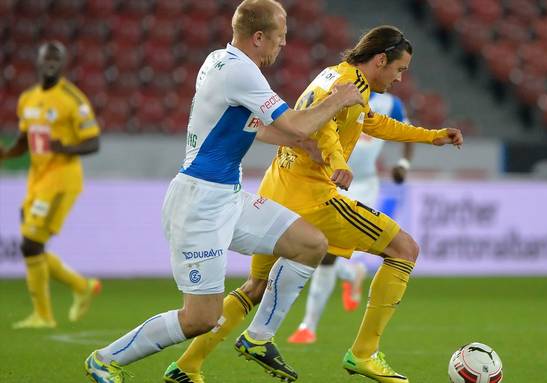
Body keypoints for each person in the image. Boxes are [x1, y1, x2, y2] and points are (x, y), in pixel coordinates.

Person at [84, 1, 363, 382]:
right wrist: (338, 100)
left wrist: (302, 145)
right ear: (259, 37)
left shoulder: (221, 59)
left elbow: (260, 128)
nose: (283, 44)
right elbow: (296, 124)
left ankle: (258, 338)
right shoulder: (241, 72)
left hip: (227, 196)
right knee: (200, 318)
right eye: (280, 37)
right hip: (199, 203)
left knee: (311, 243)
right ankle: (105, 358)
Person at [166, 25, 463, 383]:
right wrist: (338, 161)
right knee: (404, 249)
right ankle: (364, 353)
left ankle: (187, 365)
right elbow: (323, 127)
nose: (400, 78)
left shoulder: (340, 78)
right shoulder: (346, 84)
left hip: (276, 188)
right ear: (381, 60)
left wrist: (433, 137)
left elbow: (372, 123)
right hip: (311, 198)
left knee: (256, 287)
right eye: (399, 69)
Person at [287, 91, 413, 345]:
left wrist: (403, 164)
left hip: (364, 184)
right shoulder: (341, 92)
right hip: (328, 177)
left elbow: (408, 134)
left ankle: (308, 326)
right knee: (319, 247)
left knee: (326, 250)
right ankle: (351, 273)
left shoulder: (391, 104)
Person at [0, 41, 102, 329]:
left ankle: (43, 316)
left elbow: (94, 142)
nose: (51, 63)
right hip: (36, 180)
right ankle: (81, 286)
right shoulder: (27, 99)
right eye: (47, 58)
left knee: (31, 242)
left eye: (56, 59)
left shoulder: (72, 99)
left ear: (63, 63)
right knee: (32, 246)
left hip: (62, 180)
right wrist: (6, 154)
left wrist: (64, 147)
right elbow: (24, 141)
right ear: (39, 60)